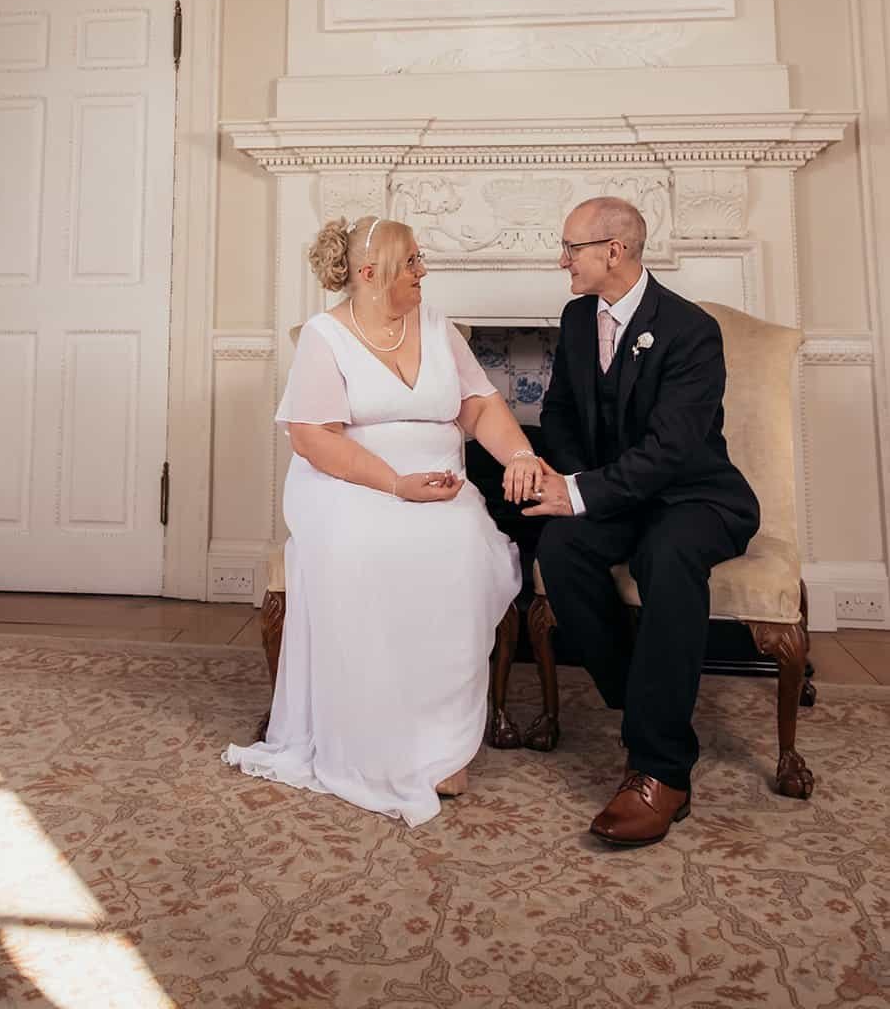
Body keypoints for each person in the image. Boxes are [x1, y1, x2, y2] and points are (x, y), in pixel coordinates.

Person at [223, 215, 532, 827]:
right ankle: (379, 739)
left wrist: (520, 455)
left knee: (464, 549)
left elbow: (481, 406)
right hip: (348, 484)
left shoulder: (438, 326)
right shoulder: (324, 336)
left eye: (420, 259)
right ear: (369, 274)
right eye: (412, 262)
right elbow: (313, 438)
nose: (424, 271)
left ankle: (443, 741)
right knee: (371, 549)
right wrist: (394, 483)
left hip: (439, 486)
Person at [505, 196, 760, 848]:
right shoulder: (575, 315)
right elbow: (559, 414)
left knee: (666, 557)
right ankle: (641, 697)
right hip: (617, 496)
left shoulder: (689, 329)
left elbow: (673, 450)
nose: (561, 261)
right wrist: (562, 483)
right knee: (558, 550)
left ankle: (660, 768)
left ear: (612, 251)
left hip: (695, 496)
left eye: (570, 248)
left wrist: (583, 492)